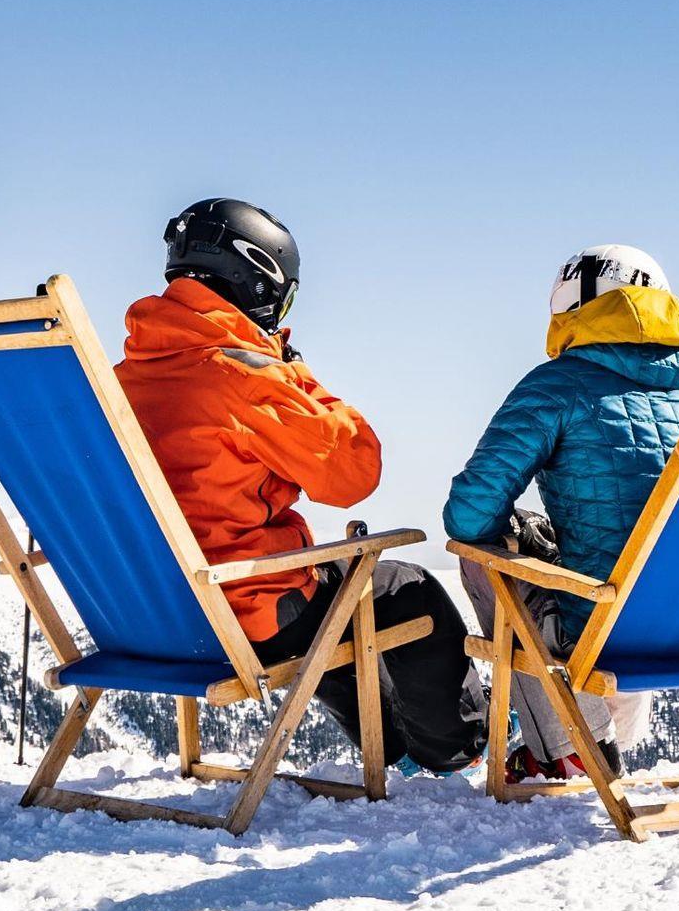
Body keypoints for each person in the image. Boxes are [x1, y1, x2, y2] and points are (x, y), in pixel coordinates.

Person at [116, 198, 487, 773]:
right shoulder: (242, 377)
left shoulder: (120, 380)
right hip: (242, 611)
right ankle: (457, 748)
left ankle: (390, 748)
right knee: (404, 590)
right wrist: (293, 372)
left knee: (331, 597)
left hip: (146, 613)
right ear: (260, 282)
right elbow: (353, 473)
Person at [444, 244, 679, 781]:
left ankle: (569, 747)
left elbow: (468, 516)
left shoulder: (558, 385)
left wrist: (511, 529)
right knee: (630, 561)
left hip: (604, 622)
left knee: (482, 558)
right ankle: (608, 734)